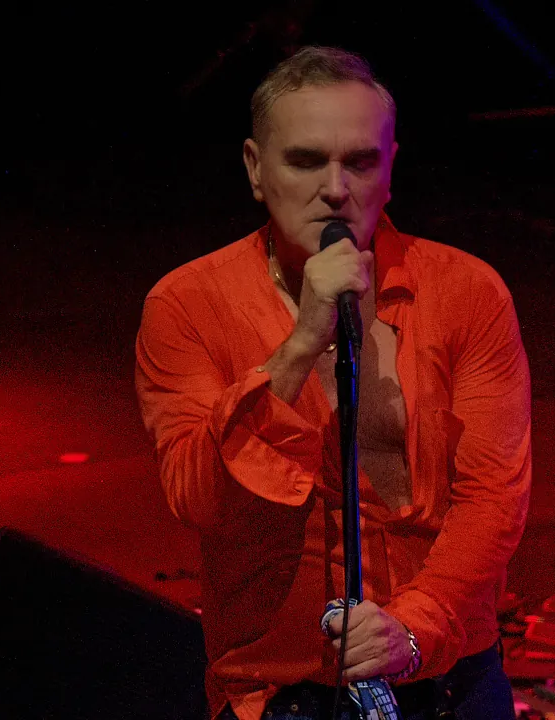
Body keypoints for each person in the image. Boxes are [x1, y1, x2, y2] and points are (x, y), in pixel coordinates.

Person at [135, 46, 531, 720]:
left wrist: (412, 629)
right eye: (306, 161)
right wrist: (297, 349)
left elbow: (493, 498)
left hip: (451, 679)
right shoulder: (186, 306)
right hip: (282, 695)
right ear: (256, 169)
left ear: (390, 169)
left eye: (361, 162)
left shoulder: (467, 292)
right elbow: (199, 499)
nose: (336, 188)